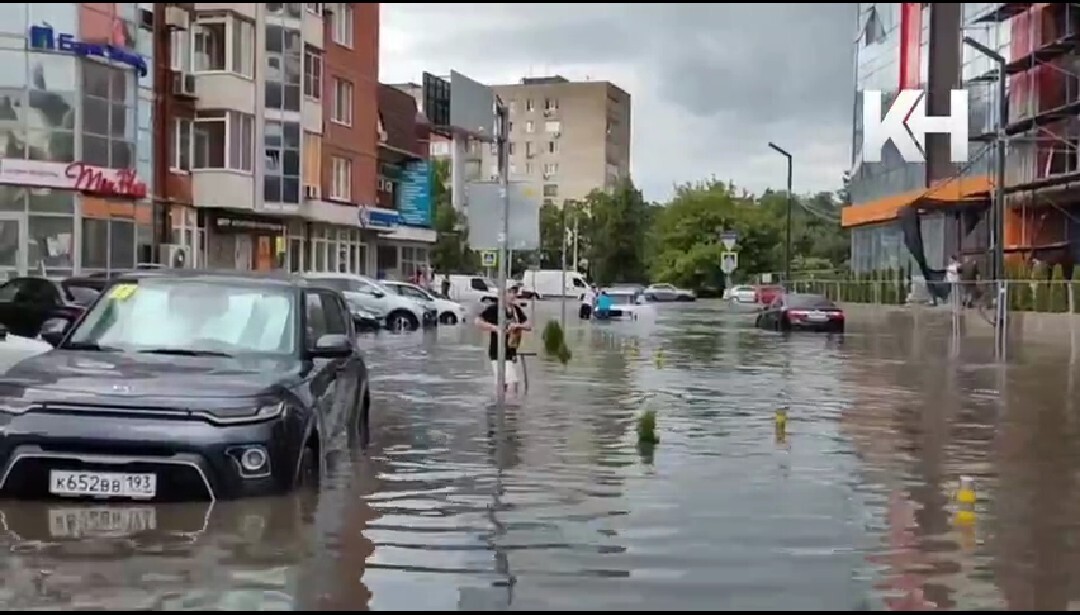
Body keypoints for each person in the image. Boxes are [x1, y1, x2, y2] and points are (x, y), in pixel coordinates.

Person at [475, 284, 531, 395]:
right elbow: (477, 321)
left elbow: (528, 325)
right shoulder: (495, 309)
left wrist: (518, 326)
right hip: (497, 352)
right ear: (502, 295)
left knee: (503, 384)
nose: (513, 295)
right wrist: (495, 328)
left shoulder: (516, 310)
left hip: (511, 352)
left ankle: (500, 406)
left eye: (514, 292)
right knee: (512, 383)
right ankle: (509, 409)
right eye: (510, 292)